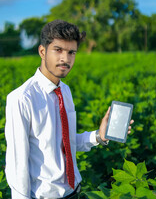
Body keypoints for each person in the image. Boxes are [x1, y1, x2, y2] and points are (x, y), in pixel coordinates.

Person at [5, 20, 134, 199]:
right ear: (42, 51)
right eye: (58, 50)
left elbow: (66, 142)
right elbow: (17, 164)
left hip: (74, 192)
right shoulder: (21, 98)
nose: (65, 59)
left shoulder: (64, 90)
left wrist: (99, 135)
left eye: (71, 52)